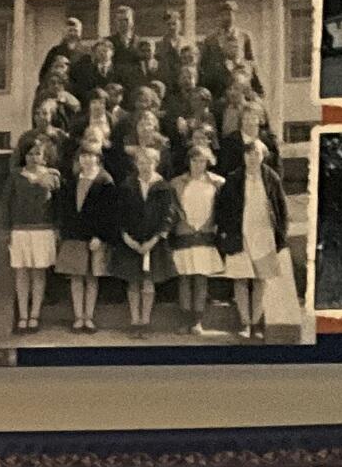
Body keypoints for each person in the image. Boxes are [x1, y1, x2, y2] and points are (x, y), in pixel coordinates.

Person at [217, 129, 292, 341]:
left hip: (264, 235)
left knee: (261, 280)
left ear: (263, 156)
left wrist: (281, 235)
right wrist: (224, 232)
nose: (252, 158)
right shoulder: (233, 179)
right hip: (239, 235)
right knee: (240, 279)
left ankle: (257, 323)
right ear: (243, 157)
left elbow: (282, 209)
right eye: (248, 154)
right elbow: (223, 209)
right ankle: (244, 323)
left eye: (256, 154)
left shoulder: (272, 178)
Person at [56, 143, 118, 334]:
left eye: (91, 156)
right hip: (75, 236)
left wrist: (100, 236)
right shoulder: (73, 181)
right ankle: (78, 316)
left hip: (94, 239)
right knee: (76, 276)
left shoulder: (105, 181)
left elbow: (110, 214)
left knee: (91, 278)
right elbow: (66, 210)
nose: (87, 160)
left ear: (98, 158)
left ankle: (89, 317)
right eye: (83, 156)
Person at [165, 137, 223, 335]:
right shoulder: (176, 184)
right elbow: (172, 211)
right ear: (188, 161)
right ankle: (184, 320)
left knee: (200, 279)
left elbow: (222, 210)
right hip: (184, 235)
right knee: (184, 278)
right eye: (194, 160)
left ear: (208, 162)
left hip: (206, 236)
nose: (198, 165)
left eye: (202, 161)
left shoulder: (217, 183)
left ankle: (197, 321)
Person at [112, 139, 171, 332]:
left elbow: (168, 217)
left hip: (153, 242)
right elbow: (119, 213)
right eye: (141, 162)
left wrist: (153, 240)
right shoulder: (127, 185)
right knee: (133, 280)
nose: (145, 166)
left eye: (149, 162)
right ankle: (134, 320)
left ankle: (145, 321)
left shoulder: (163, 187)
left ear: (156, 163)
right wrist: (127, 237)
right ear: (136, 164)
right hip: (131, 240)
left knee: (148, 281)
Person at [6, 132, 60, 334]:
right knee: (21, 273)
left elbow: (57, 206)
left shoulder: (53, 177)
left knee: (38, 273)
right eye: (29, 154)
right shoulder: (15, 176)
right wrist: (7, 231)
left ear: (44, 156)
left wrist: (56, 228)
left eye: (37, 154)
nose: (33, 158)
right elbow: (7, 205)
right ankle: (23, 315)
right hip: (20, 230)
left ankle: (35, 315)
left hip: (43, 230)